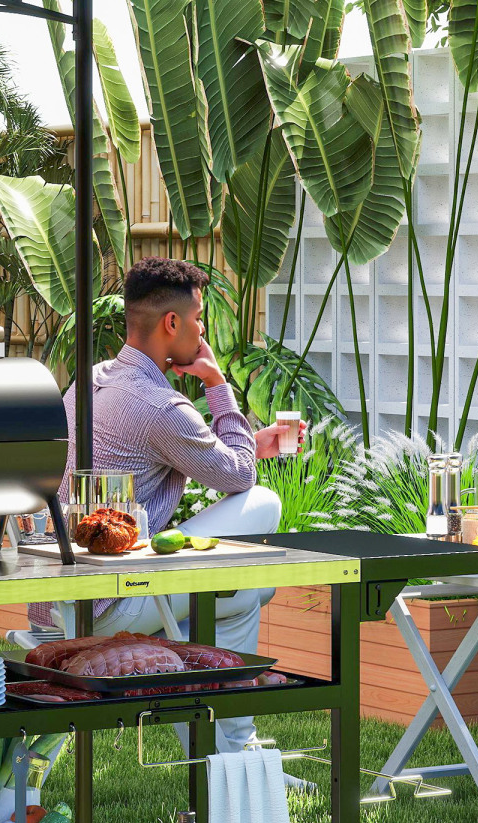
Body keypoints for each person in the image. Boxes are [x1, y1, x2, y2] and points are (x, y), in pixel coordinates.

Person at [28, 257, 303, 754]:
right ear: (172, 323)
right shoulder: (161, 407)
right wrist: (217, 385)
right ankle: (236, 753)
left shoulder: (92, 380)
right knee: (261, 505)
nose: (203, 331)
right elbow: (239, 477)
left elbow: (189, 453)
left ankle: (232, 749)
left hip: (54, 599)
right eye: (199, 318)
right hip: (110, 603)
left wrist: (247, 445)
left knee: (244, 595)